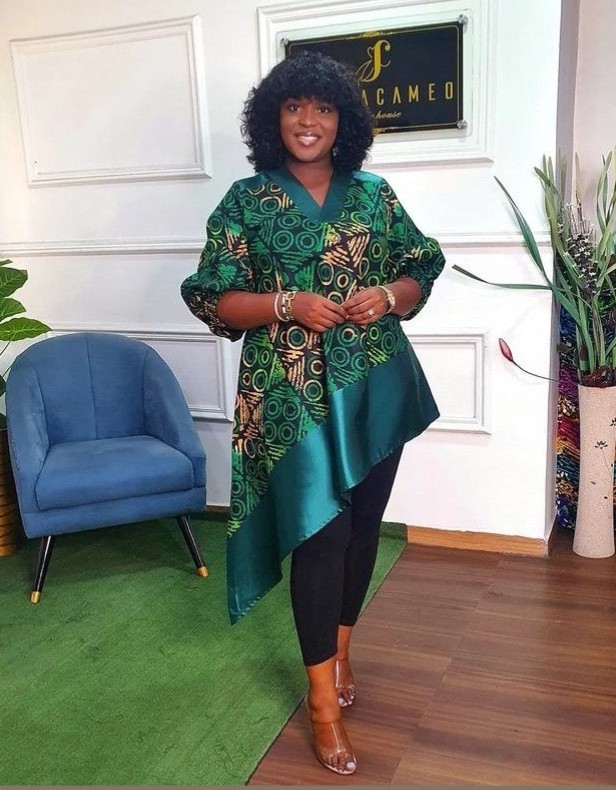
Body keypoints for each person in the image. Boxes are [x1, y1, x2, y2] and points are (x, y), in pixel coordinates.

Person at [181, 50, 445, 776]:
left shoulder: (375, 195)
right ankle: (322, 704)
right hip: (289, 398)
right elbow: (212, 297)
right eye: (294, 106)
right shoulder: (245, 202)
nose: (308, 120)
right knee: (319, 538)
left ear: (342, 121)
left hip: (375, 387)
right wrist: (285, 304)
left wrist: (387, 296)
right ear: (274, 119)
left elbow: (420, 267)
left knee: (362, 531)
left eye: (323, 108)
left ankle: (341, 649)